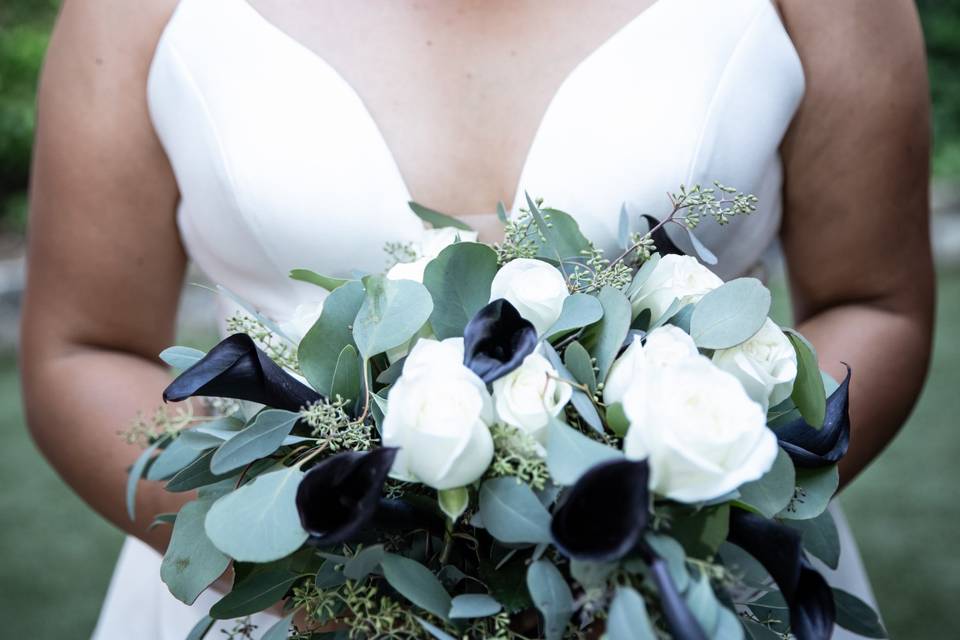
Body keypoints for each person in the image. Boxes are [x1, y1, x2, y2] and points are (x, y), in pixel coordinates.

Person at [20, 0, 934, 638]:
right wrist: (318, 587)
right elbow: (81, 348)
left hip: (682, 598)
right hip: (275, 607)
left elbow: (877, 302)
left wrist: (661, 543)